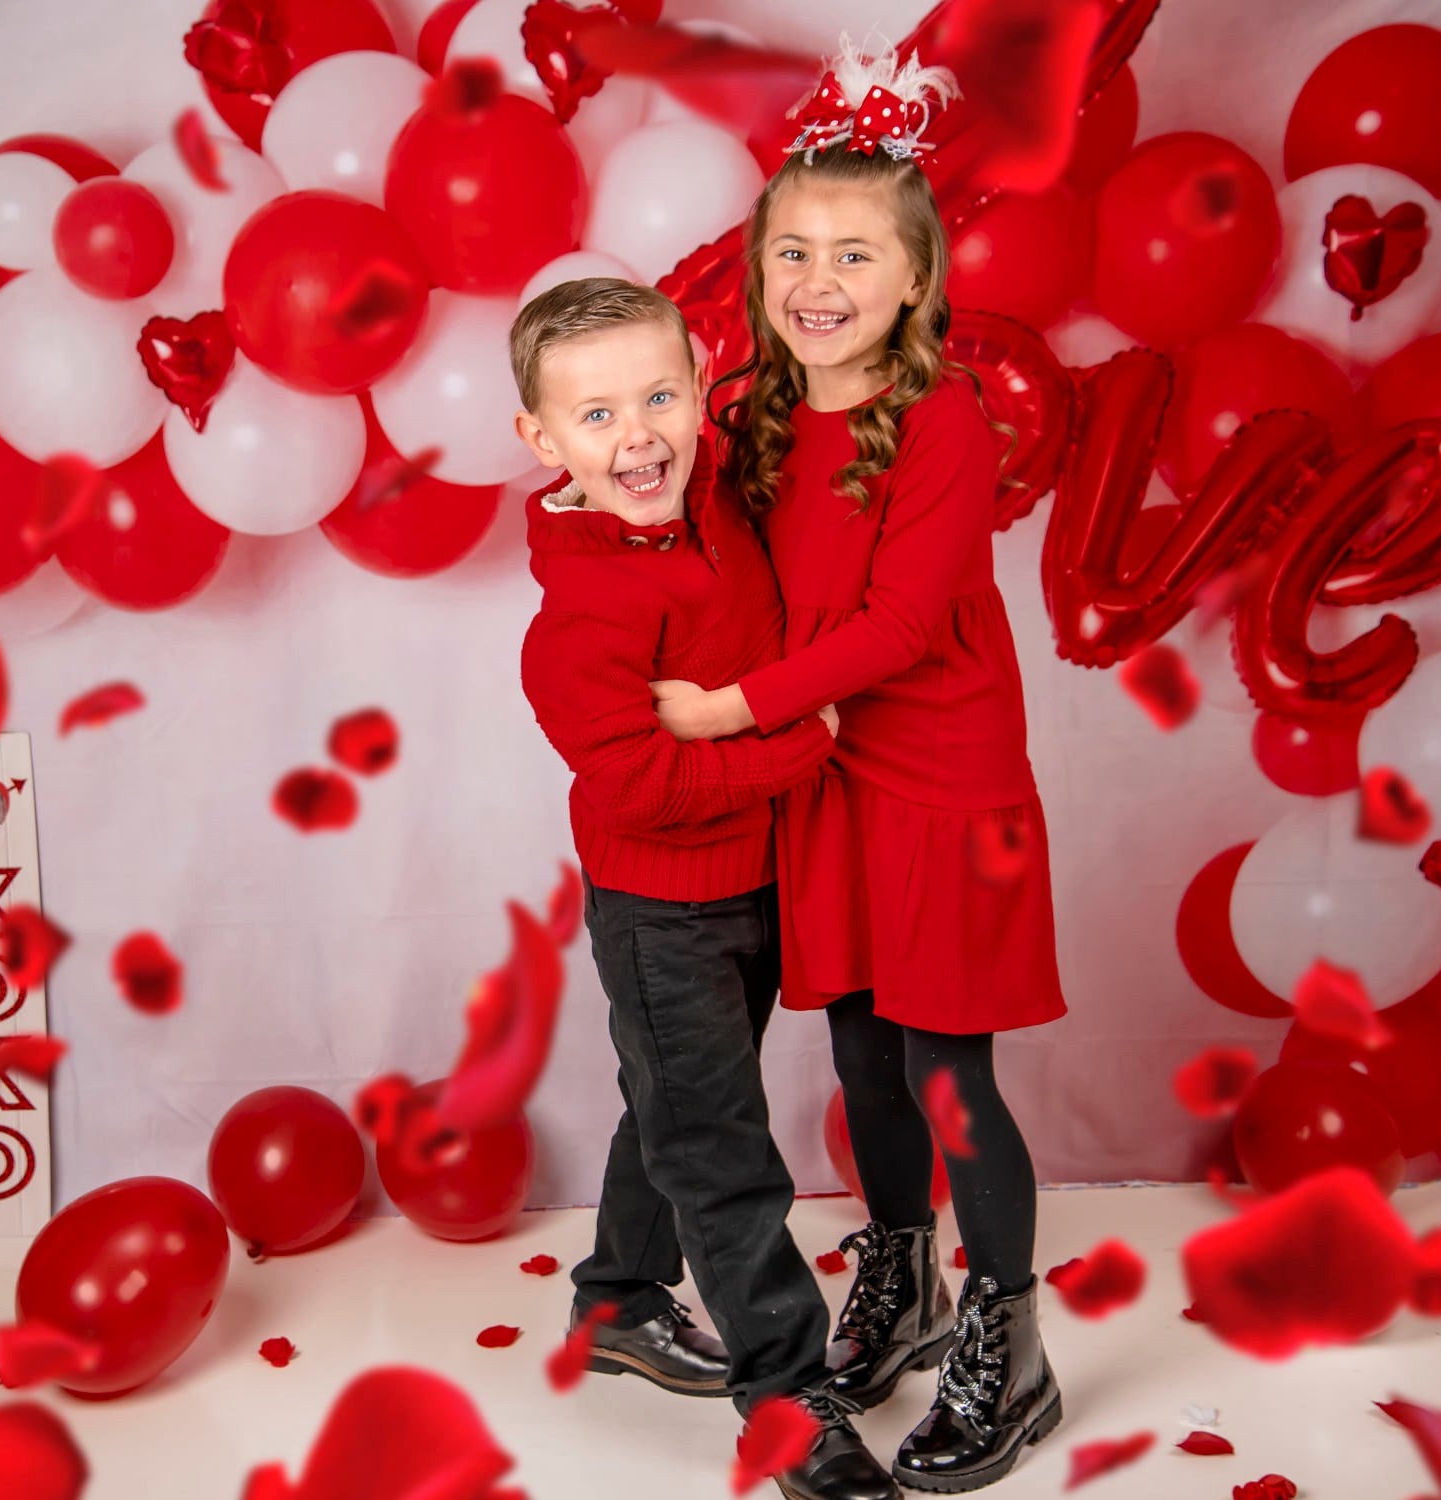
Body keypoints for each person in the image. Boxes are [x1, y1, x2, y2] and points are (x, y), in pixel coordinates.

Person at [650, 41, 1070, 1494]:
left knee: (949, 1069)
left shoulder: (940, 420)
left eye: (850, 252)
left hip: (938, 782)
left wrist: (728, 710)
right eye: (789, 251)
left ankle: (1008, 1344)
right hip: (826, 780)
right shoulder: (752, 413)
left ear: (912, 281)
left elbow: (894, 624)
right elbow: (698, 553)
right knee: (860, 1055)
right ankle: (905, 1277)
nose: (813, 278)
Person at [511, 276, 899, 1500]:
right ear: (542, 440)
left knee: (672, 1109)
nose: (640, 438)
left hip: (763, 884)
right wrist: (803, 738)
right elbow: (646, 790)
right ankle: (786, 1401)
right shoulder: (575, 621)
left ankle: (618, 1301)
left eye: (662, 396)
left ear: (698, 387)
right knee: (724, 1153)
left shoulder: (718, 486)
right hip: (662, 912)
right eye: (598, 417)